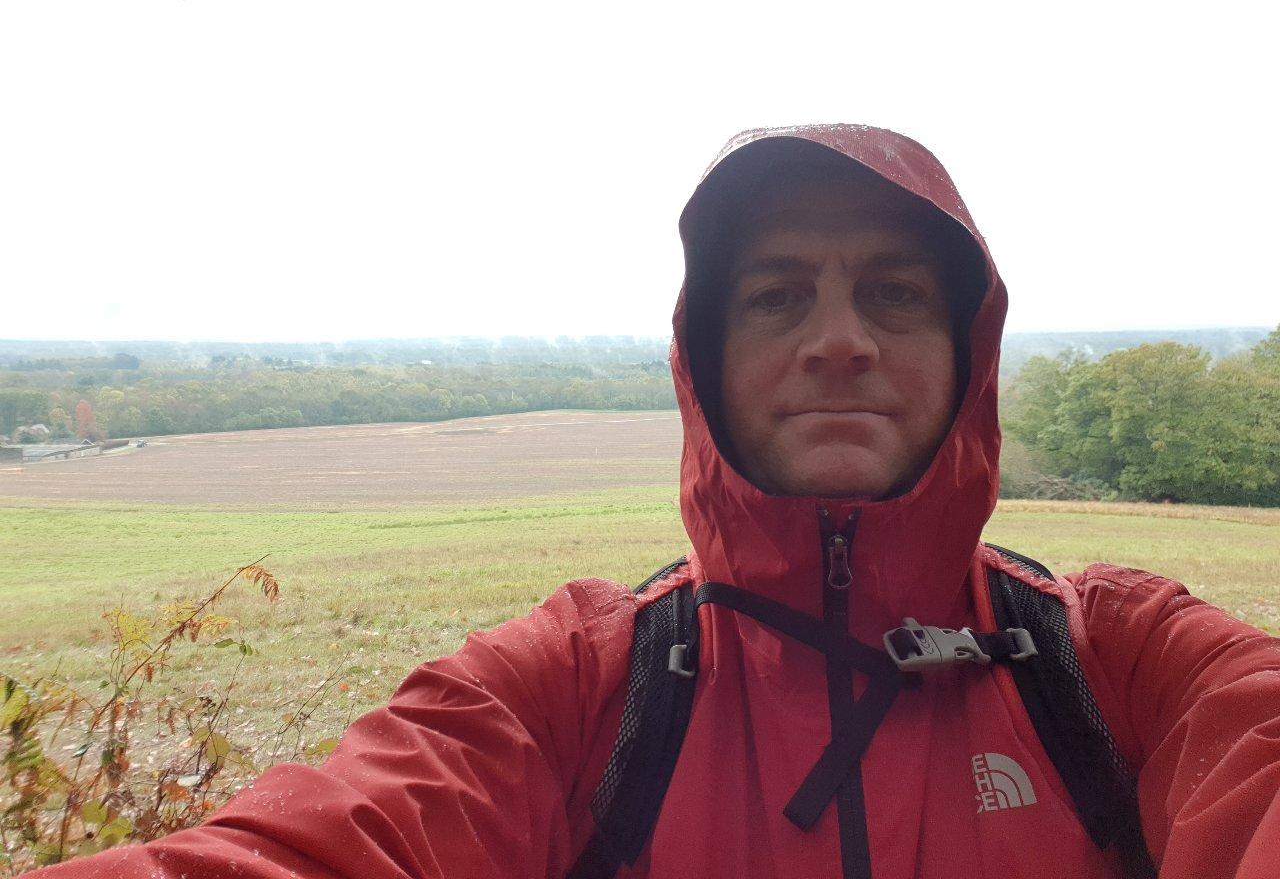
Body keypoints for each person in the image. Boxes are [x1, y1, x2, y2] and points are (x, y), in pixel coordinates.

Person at [31, 125, 1280, 879]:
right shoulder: (582, 688)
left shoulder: (1116, 666)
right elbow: (327, 845)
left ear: (969, 358)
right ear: (705, 366)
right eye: (775, 296)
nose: (837, 340)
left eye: (894, 294)